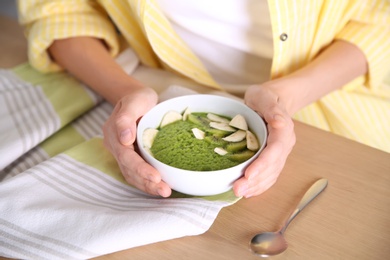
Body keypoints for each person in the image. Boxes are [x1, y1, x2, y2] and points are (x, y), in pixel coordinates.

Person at [17, 0, 390, 198]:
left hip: (332, 98)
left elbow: (380, 19)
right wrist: (127, 92)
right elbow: (59, 12)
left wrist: (283, 96)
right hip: (157, 84)